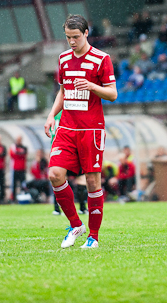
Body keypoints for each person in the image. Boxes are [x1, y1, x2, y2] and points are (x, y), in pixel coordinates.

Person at [44, 14, 117, 249]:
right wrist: (50, 115)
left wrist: (93, 86)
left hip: (91, 129)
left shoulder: (101, 59)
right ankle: (75, 224)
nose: (72, 42)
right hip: (66, 126)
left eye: (76, 37)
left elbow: (113, 94)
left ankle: (93, 236)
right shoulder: (64, 59)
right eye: (68, 37)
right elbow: (63, 92)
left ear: (86, 33)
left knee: (92, 181)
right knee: (55, 174)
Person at [10, 135, 28, 201]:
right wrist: (20, 153)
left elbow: (24, 154)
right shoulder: (13, 146)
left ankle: (22, 197)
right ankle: (13, 198)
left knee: (23, 184)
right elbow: (13, 154)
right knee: (14, 184)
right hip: (14, 169)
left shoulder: (24, 147)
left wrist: (18, 153)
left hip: (22, 169)